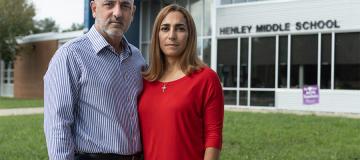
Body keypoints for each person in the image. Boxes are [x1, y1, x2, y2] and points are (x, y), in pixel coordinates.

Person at [43, 0, 145, 159]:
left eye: (125, 6)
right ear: (94, 9)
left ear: (132, 13)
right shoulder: (70, 55)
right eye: (109, 4)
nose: (117, 13)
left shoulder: (137, 58)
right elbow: (58, 125)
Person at [138, 4, 224, 160]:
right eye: (165, 28)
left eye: (180, 28)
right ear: (157, 35)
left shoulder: (206, 78)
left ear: (190, 35)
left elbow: (213, 136)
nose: (172, 35)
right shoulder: (145, 80)